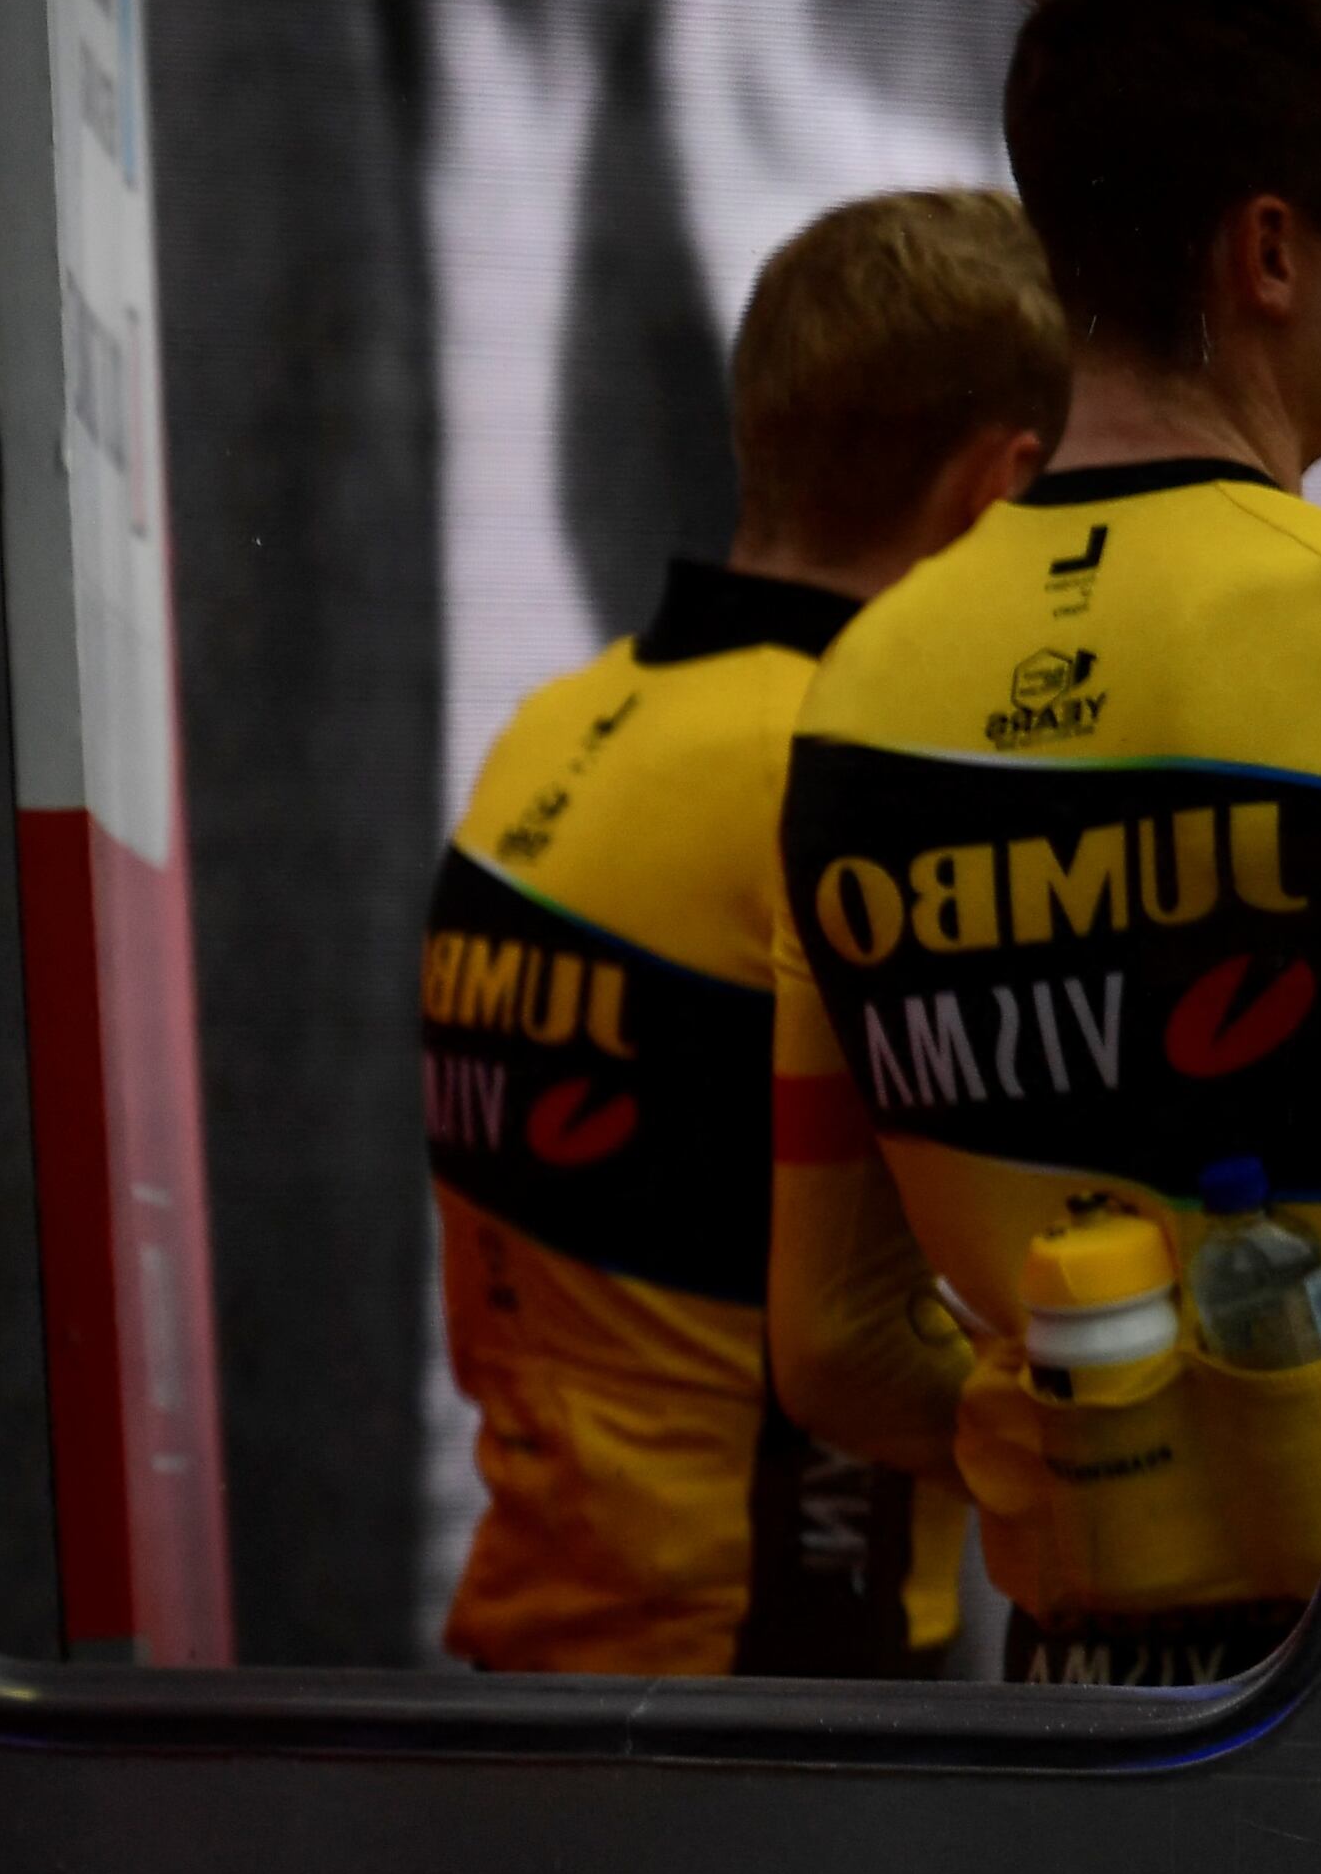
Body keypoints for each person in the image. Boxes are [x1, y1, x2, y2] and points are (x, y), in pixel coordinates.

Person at [769, 0, 1321, 1686]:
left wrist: (1088, 1441)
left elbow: (834, 1343)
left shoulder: (857, 691)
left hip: (1078, 1699)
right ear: (1265, 251)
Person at [422, 189, 1062, 1675]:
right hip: (772, 1685)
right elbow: (978, 1283)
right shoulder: (838, 780)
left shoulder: (545, 732)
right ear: (997, 491)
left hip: (537, 1643)